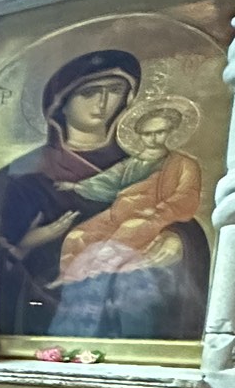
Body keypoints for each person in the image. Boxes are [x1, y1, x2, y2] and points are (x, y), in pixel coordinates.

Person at [0, 48, 209, 340]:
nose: (103, 103)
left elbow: (180, 210)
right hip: (44, 314)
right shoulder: (19, 179)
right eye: (89, 93)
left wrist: (178, 239)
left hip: (133, 299)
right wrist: (26, 244)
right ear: (61, 104)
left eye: (114, 91)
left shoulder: (146, 166)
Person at [55, 100, 204, 288]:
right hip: (116, 215)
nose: (154, 138)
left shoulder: (184, 164)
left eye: (160, 132)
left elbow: (187, 195)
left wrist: (160, 211)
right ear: (140, 135)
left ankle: (97, 278)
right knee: (77, 236)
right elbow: (107, 181)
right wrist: (76, 186)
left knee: (126, 233)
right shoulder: (130, 164)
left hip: (154, 216)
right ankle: (68, 279)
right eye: (148, 133)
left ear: (170, 132)